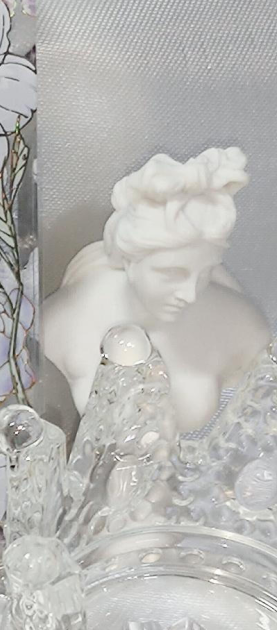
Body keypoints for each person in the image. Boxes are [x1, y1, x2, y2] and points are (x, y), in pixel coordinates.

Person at [43, 147, 269, 431]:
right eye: (172, 273)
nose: (190, 294)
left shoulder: (239, 324)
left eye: (205, 273)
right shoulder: (69, 320)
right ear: (130, 259)